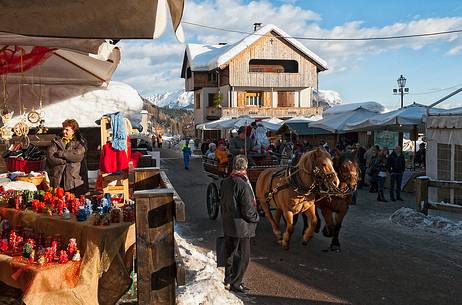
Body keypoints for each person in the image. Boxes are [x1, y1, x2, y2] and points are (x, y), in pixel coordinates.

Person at [220, 155, 259, 293]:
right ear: (245, 167)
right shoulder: (243, 184)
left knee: (230, 253)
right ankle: (236, 283)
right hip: (242, 227)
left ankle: (227, 279)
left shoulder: (225, 181)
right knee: (243, 256)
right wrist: (256, 218)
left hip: (228, 223)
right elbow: (248, 210)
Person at [47, 119, 88, 196]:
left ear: (73, 131)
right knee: (57, 203)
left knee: (73, 202)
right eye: (63, 129)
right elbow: (50, 157)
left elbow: (78, 156)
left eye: (67, 130)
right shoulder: (56, 141)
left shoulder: (80, 142)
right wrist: (65, 161)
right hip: (58, 178)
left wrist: (61, 153)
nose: (64, 132)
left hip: (73, 180)